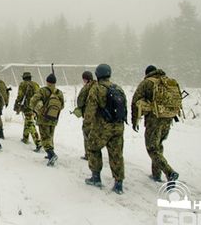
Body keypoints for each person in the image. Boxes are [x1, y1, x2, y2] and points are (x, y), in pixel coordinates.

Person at [131, 65, 180, 184]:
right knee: (158, 146)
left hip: (154, 120)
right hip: (168, 118)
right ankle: (156, 174)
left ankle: (169, 172)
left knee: (152, 148)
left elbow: (135, 101)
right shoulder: (168, 81)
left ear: (147, 73)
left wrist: (134, 121)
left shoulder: (147, 83)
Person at [84, 64, 127, 195]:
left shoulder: (96, 89)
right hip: (118, 127)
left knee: (93, 148)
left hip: (102, 128)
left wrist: (87, 125)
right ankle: (118, 183)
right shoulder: (118, 88)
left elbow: (90, 110)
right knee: (116, 154)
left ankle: (96, 177)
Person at [30, 73, 64, 167]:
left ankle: (51, 154)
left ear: (47, 81)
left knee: (44, 137)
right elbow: (62, 106)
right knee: (50, 136)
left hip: (43, 118)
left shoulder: (42, 91)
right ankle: (50, 152)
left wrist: (35, 109)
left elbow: (33, 100)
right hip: (54, 118)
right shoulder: (59, 92)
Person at [14, 72, 41, 152]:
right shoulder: (35, 84)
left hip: (27, 107)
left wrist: (17, 104)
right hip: (36, 107)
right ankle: (25, 138)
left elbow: (20, 96)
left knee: (30, 123)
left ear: (23, 78)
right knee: (27, 121)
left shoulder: (23, 84)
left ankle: (38, 143)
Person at [74, 71, 96, 160]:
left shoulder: (87, 87)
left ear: (85, 79)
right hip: (99, 116)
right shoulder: (99, 85)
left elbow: (80, 101)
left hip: (89, 115)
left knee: (87, 133)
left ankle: (88, 154)